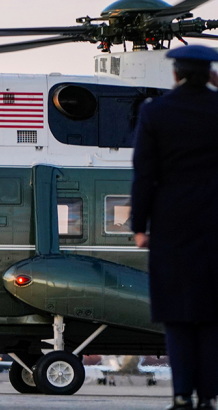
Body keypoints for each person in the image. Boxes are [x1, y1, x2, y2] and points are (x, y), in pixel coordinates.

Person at [131, 44, 218, 410]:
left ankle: (181, 395)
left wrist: (140, 226)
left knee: (177, 316)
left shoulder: (156, 112)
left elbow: (144, 175)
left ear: (175, 74)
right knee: (212, 319)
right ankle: (209, 398)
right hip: (215, 226)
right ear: (209, 74)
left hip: (171, 227)